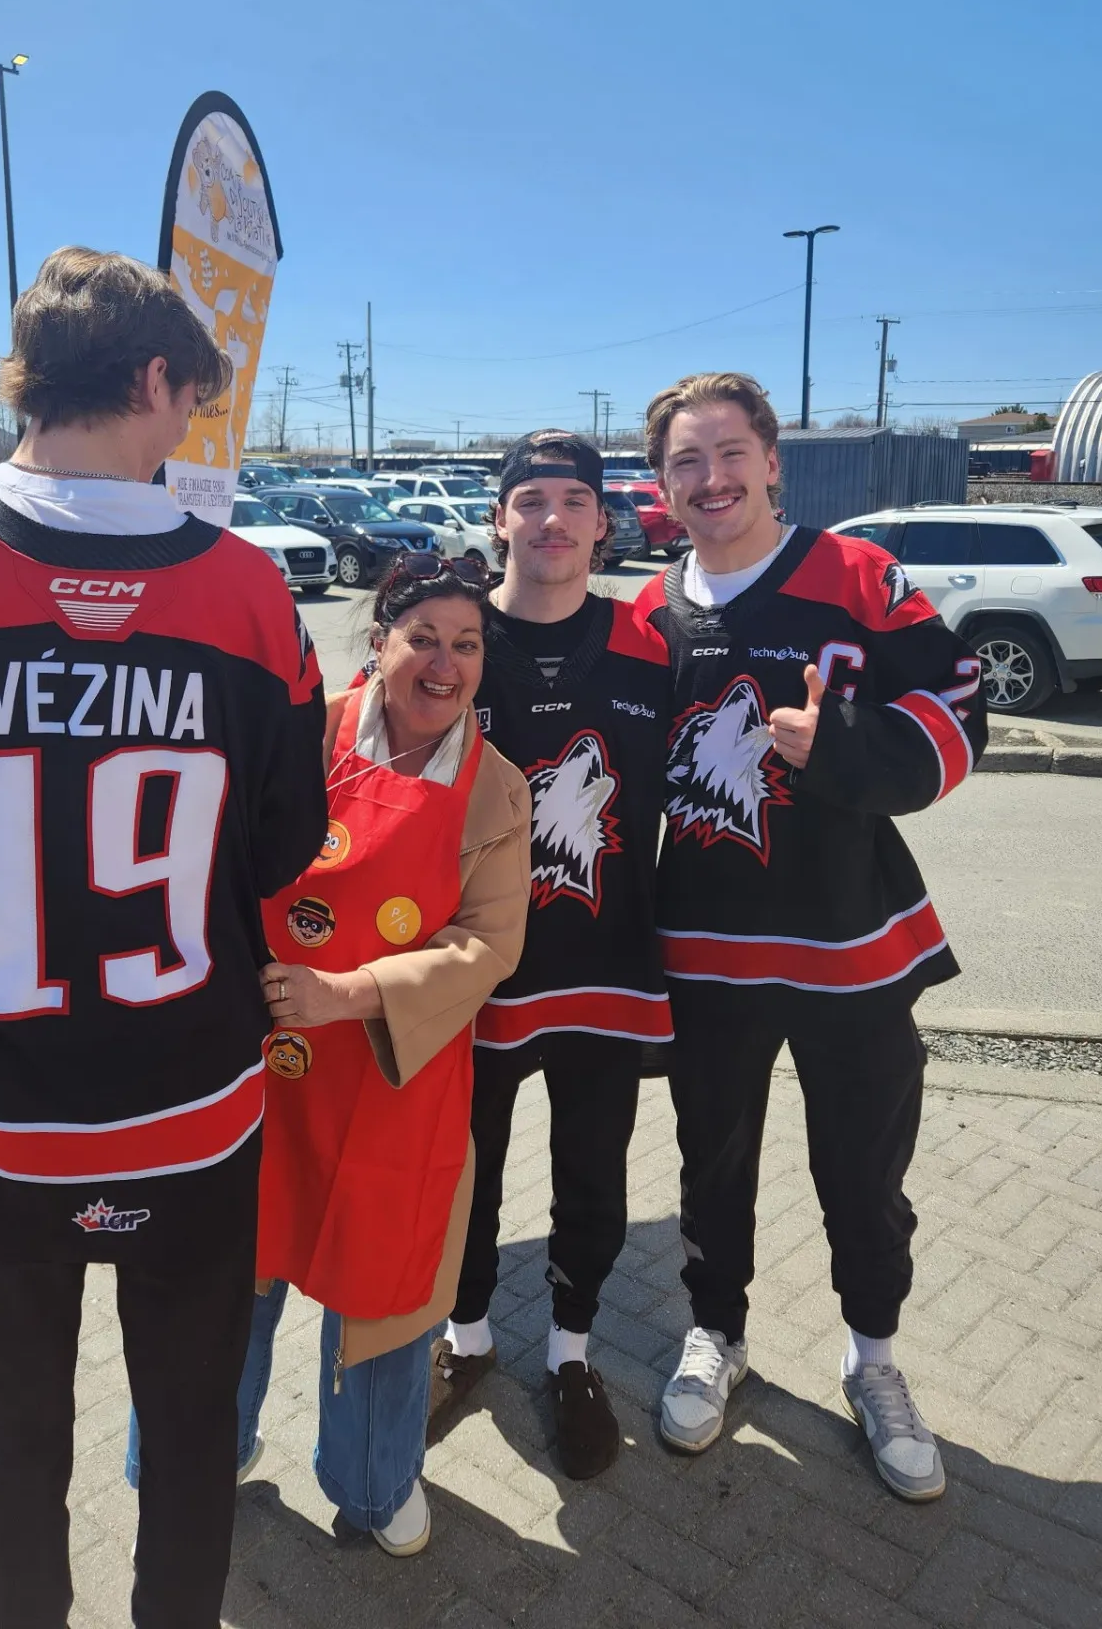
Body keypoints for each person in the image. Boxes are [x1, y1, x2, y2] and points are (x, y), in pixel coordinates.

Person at [0, 247, 326, 1629]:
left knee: (8, 1444)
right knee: (195, 1436)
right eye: (191, 398)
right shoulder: (251, 594)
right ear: (153, 377)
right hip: (192, 1103)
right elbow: (285, 846)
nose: (193, 425)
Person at [125, 551, 532, 1554]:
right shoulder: (299, 735)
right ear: (379, 642)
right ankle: (190, 1463)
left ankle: (374, 1484)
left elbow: (490, 943)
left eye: (467, 645)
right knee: (225, 1276)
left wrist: (346, 995)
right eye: (422, 639)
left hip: (396, 1081)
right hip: (256, 1060)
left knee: (385, 1293)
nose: (444, 665)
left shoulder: (497, 791)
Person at [635, 371, 987, 1503]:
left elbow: (962, 710)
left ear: (772, 461)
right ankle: (717, 1332)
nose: (712, 478)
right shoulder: (647, 612)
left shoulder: (858, 574)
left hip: (850, 945)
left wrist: (840, 747)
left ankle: (873, 1358)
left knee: (863, 1170)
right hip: (707, 951)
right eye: (687, 461)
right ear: (663, 484)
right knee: (711, 1160)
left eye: (730, 453)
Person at [426, 431, 671, 1480]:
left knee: (593, 1174)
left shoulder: (655, 642)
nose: (552, 519)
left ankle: (572, 1352)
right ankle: (466, 1334)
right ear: (499, 520)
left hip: (606, 966)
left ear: (603, 522)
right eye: (530, 500)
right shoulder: (453, 640)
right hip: (472, 969)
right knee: (462, 1170)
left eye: (575, 499)